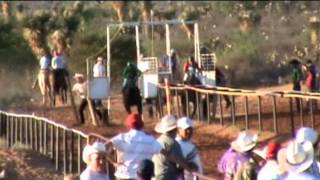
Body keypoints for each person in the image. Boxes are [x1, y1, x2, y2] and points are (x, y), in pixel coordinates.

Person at [108, 113, 163, 180]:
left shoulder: (122, 138)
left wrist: (113, 162)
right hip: (142, 176)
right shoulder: (150, 140)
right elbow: (162, 150)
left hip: (123, 175)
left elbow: (103, 147)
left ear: (128, 125)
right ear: (142, 125)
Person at [153, 115, 196, 180]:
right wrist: (190, 167)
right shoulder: (173, 144)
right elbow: (180, 164)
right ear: (175, 129)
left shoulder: (157, 141)